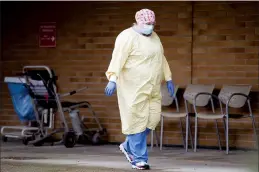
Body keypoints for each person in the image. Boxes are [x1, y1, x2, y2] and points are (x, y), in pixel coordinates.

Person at [105, 8, 174, 170]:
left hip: (153, 88)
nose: (150, 27)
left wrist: (168, 77)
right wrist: (113, 79)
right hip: (133, 89)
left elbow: (161, 57)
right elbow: (118, 58)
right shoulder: (126, 37)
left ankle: (128, 146)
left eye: (152, 24)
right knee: (137, 122)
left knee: (153, 119)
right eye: (147, 23)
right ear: (138, 22)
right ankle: (139, 159)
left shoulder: (155, 37)